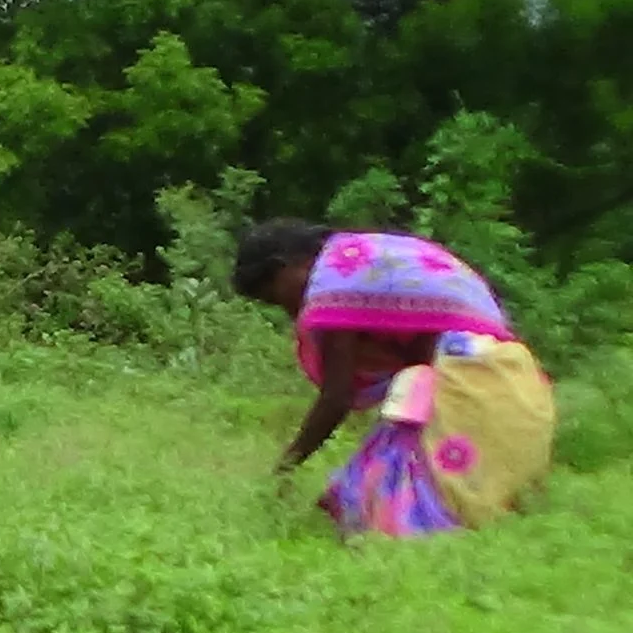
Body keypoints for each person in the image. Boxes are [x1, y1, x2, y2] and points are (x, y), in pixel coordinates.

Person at [232, 220, 554, 538]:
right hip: (515, 377)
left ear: (283, 267)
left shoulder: (333, 286)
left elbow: (336, 398)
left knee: (389, 499)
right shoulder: (357, 257)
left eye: (276, 297)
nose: (290, 311)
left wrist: (286, 465)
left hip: (469, 377)